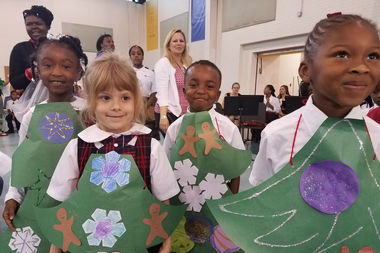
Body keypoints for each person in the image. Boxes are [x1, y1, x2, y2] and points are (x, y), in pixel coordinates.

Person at [47, 54, 179, 253]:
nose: (116, 106)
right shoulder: (77, 147)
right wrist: (55, 248)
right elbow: (64, 204)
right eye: (105, 97)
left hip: (140, 244)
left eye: (125, 97)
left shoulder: (150, 147)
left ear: (135, 100)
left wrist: (166, 243)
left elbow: (163, 202)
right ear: (91, 101)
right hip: (89, 245)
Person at [249, 14, 380, 187]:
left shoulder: (377, 137)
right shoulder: (277, 135)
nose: (361, 67)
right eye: (342, 54)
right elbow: (262, 201)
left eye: (372, 56)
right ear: (306, 71)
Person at [163, 60, 251, 252]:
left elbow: (235, 171)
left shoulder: (228, 128)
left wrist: (230, 204)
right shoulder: (174, 129)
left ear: (218, 94)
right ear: (184, 90)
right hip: (184, 201)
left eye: (209, 86)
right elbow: (166, 168)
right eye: (193, 85)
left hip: (217, 201)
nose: (201, 91)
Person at [3, 35, 88, 232]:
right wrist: (13, 196)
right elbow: (23, 162)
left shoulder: (89, 112)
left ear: (78, 72)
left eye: (66, 66)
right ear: (38, 71)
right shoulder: (32, 116)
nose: (57, 72)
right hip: (45, 199)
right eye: (48, 65)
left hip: (83, 199)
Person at [155, 29, 192, 134]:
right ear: (168, 45)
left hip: (185, 112)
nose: (179, 43)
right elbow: (162, 92)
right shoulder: (163, 63)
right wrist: (163, 116)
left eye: (181, 41)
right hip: (169, 112)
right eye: (175, 41)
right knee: (174, 148)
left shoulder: (186, 64)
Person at [9, 5, 54, 91]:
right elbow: (15, 83)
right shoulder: (19, 49)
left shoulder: (58, 48)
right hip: (30, 101)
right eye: (29, 24)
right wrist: (31, 73)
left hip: (58, 99)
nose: (33, 27)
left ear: (48, 26)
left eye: (38, 23)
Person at [129, 45, 159, 139]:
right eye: (133, 54)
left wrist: (144, 107)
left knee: (147, 134)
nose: (136, 56)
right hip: (130, 105)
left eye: (139, 53)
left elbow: (154, 92)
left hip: (147, 105)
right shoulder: (126, 72)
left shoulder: (150, 73)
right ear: (130, 57)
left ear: (143, 56)